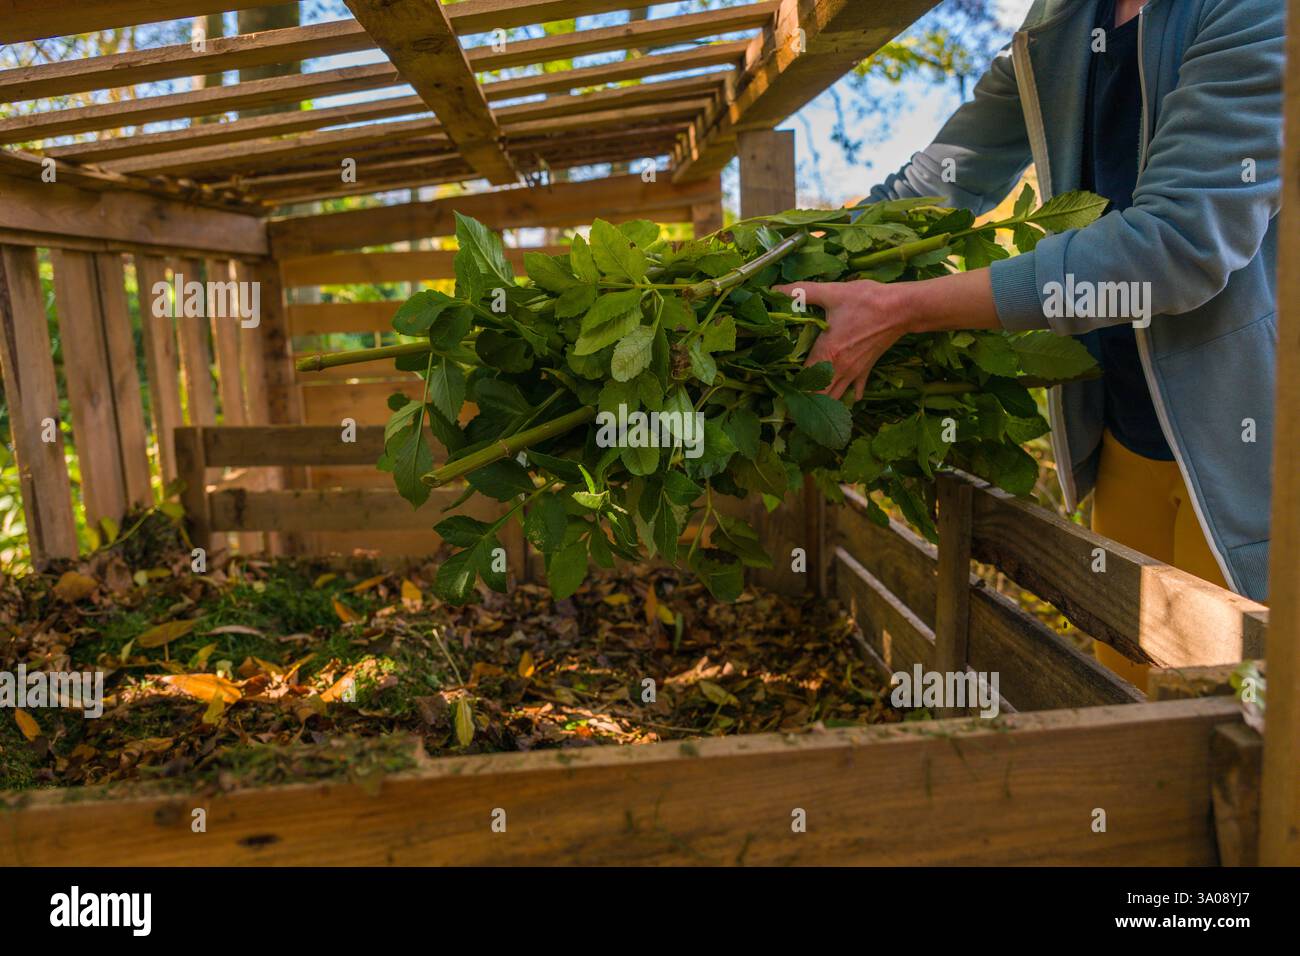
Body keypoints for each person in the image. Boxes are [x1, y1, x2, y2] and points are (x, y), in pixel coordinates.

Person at [776, 0, 1284, 689]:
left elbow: (1172, 248)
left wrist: (903, 308)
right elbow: (940, 181)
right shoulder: (1064, 20)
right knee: (1131, 700)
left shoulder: (1257, 13)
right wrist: (785, 268)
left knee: (1247, 719)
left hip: (1253, 445)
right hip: (1128, 433)